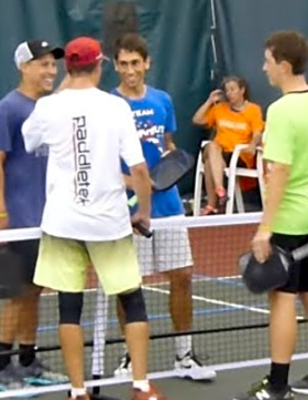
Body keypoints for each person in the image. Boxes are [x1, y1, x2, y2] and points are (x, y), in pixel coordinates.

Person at [21, 36, 167, 400]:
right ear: (101, 65)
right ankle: (141, 386)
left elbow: (30, 143)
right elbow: (138, 168)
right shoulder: (115, 108)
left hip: (62, 225)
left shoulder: (47, 108)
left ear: (67, 68)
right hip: (110, 225)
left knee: (69, 308)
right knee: (132, 300)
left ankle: (77, 391)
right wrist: (143, 214)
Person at [232, 31, 308, 400]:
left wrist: (265, 229)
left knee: (282, 298)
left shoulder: (282, 111)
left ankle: (277, 385)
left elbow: (277, 172)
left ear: (283, 65)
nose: (263, 68)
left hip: (289, 221)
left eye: (267, 61)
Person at [108, 32, 216, 382]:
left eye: (135, 63)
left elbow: (166, 143)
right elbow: (104, 165)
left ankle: (184, 356)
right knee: (128, 285)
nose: (129, 70)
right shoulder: (108, 106)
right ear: (114, 66)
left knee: (182, 276)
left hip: (168, 208)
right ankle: (129, 357)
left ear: (147, 63)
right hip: (127, 209)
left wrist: (169, 164)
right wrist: (139, 184)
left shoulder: (162, 101)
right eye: (123, 64)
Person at [0, 39, 69, 392]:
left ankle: (29, 360)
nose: (51, 71)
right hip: (20, 220)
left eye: (53, 64)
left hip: (48, 219)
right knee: (19, 294)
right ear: (24, 67)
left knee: (35, 292)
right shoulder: (7, 109)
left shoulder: (48, 107)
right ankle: (1, 367)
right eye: (43, 64)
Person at [192, 76, 265, 215]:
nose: (230, 93)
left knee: (208, 162)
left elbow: (257, 133)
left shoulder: (253, 110)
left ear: (242, 90)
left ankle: (212, 204)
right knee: (213, 147)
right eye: (227, 90)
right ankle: (220, 189)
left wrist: (252, 145)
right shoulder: (219, 109)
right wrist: (209, 101)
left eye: (233, 89)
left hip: (239, 155)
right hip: (219, 151)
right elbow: (197, 120)